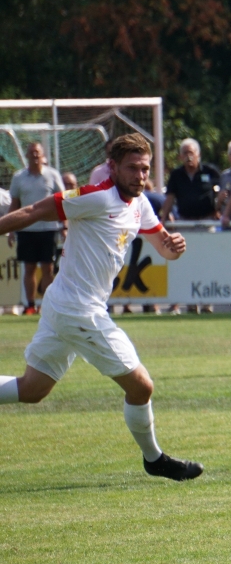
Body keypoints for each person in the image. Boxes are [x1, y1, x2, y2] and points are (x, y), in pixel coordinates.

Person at [0, 134, 202, 481]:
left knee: (32, 390)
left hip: (66, 304)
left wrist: (175, 248)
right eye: (132, 168)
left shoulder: (139, 205)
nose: (140, 176)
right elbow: (34, 211)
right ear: (113, 167)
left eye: (145, 169)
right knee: (141, 387)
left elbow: (164, 248)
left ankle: (154, 460)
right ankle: (154, 459)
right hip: (77, 310)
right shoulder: (94, 197)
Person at [8, 142, 65, 314]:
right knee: (29, 268)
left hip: (48, 229)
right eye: (31, 152)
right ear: (27, 156)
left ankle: (46, 305)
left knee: (47, 268)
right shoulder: (18, 177)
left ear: (43, 155)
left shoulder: (52, 175)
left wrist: (64, 226)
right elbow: (15, 204)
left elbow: (62, 201)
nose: (34, 156)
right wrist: (11, 229)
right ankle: (30, 305)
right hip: (26, 229)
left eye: (37, 152)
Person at [160, 138, 220, 222]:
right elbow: (170, 197)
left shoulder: (210, 171)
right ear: (180, 156)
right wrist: (164, 217)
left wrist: (219, 210)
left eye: (191, 153)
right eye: (185, 153)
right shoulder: (176, 175)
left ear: (198, 155)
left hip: (207, 221)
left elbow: (221, 193)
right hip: (184, 221)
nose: (188, 156)